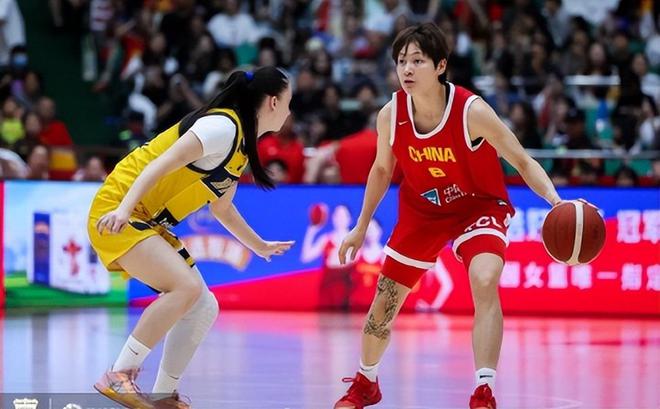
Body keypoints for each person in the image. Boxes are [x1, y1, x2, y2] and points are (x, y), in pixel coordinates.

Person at [333, 23, 563, 409]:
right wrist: (360, 226)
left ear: (440, 66)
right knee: (384, 301)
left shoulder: (472, 111)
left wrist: (555, 201)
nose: (407, 69)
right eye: (401, 61)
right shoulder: (390, 115)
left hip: (478, 206)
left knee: (484, 279)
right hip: (423, 211)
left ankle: (483, 391)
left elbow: (522, 160)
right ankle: (366, 382)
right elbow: (382, 170)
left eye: (417, 61)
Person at [88, 67, 294, 409]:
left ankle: (164, 396)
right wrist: (123, 210)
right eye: (288, 102)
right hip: (118, 209)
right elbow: (159, 164)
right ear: (273, 102)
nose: (289, 111)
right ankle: (119, 373)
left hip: (145, 219)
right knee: (185, 288)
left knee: (203, 307)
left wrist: (259, 245)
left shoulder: (240, 146)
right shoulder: (222, 127)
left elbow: (222, 208)